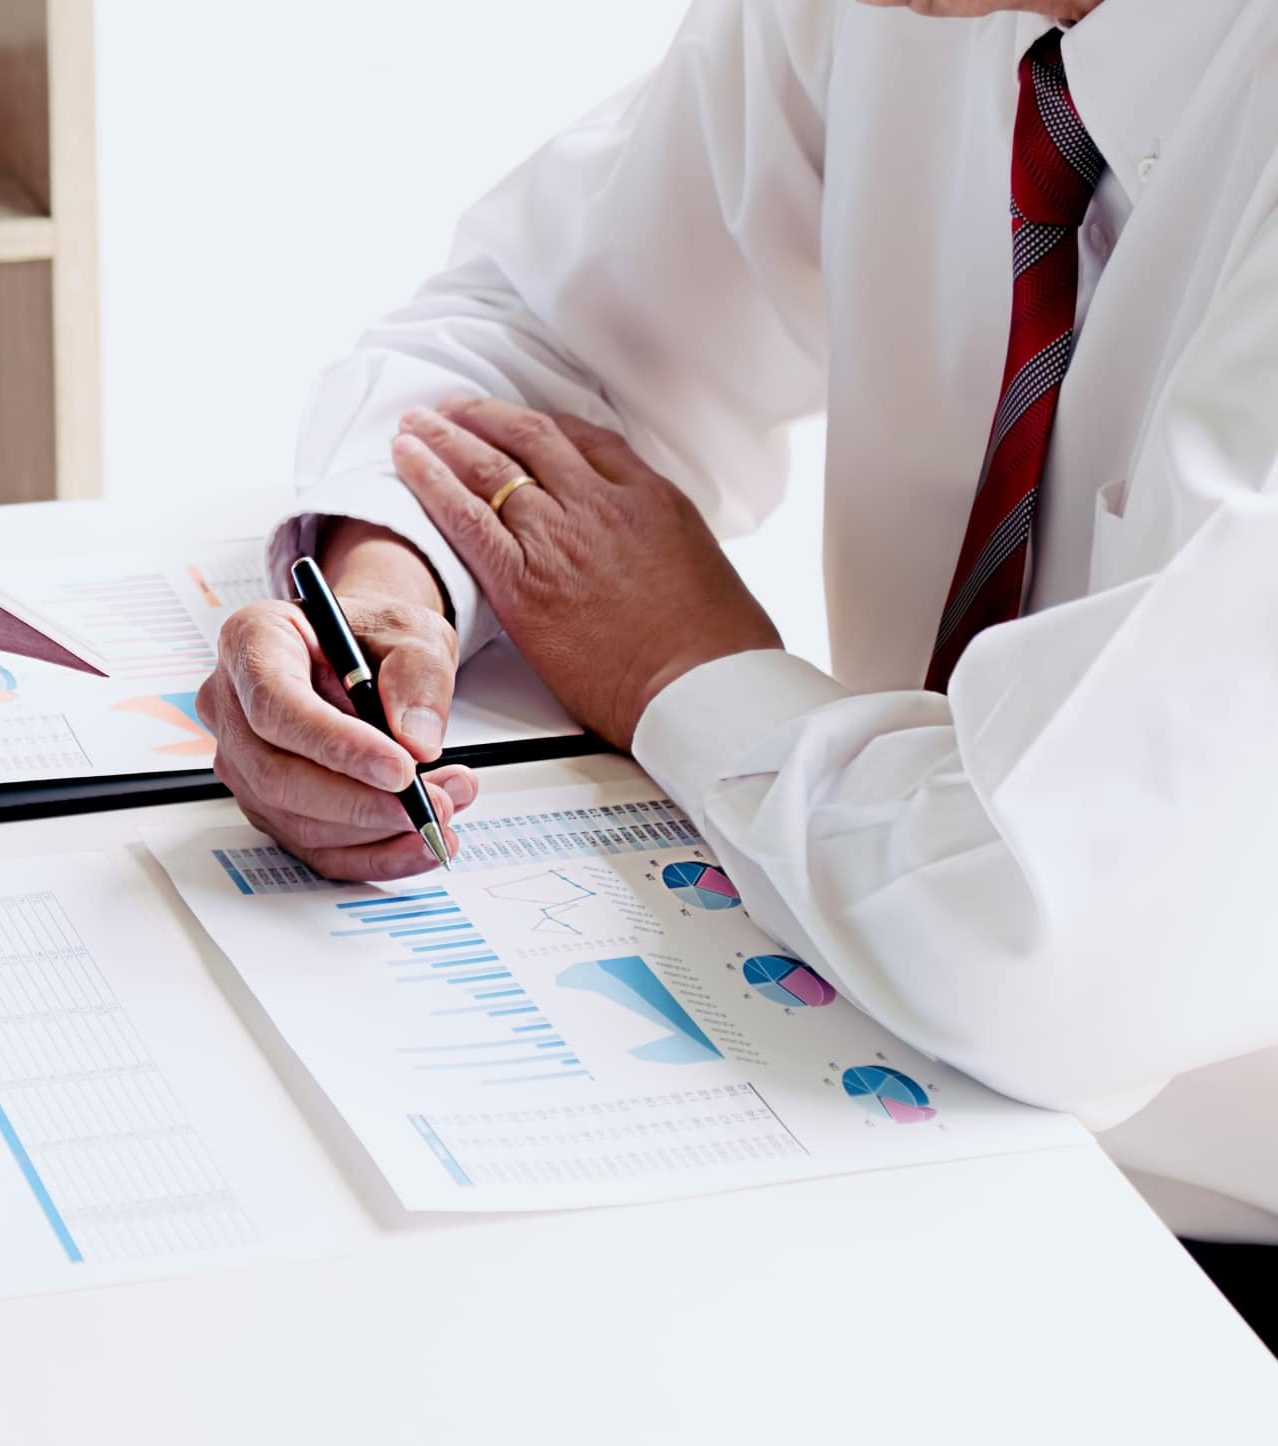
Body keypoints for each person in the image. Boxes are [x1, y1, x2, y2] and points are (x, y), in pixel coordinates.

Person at [202, 0, 1278, 1346]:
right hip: (887, 1081)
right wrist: (391, 582)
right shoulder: (902, 11)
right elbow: (542, 338)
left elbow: (1056, 929)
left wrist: (675, 660)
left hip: (1216, 1241)